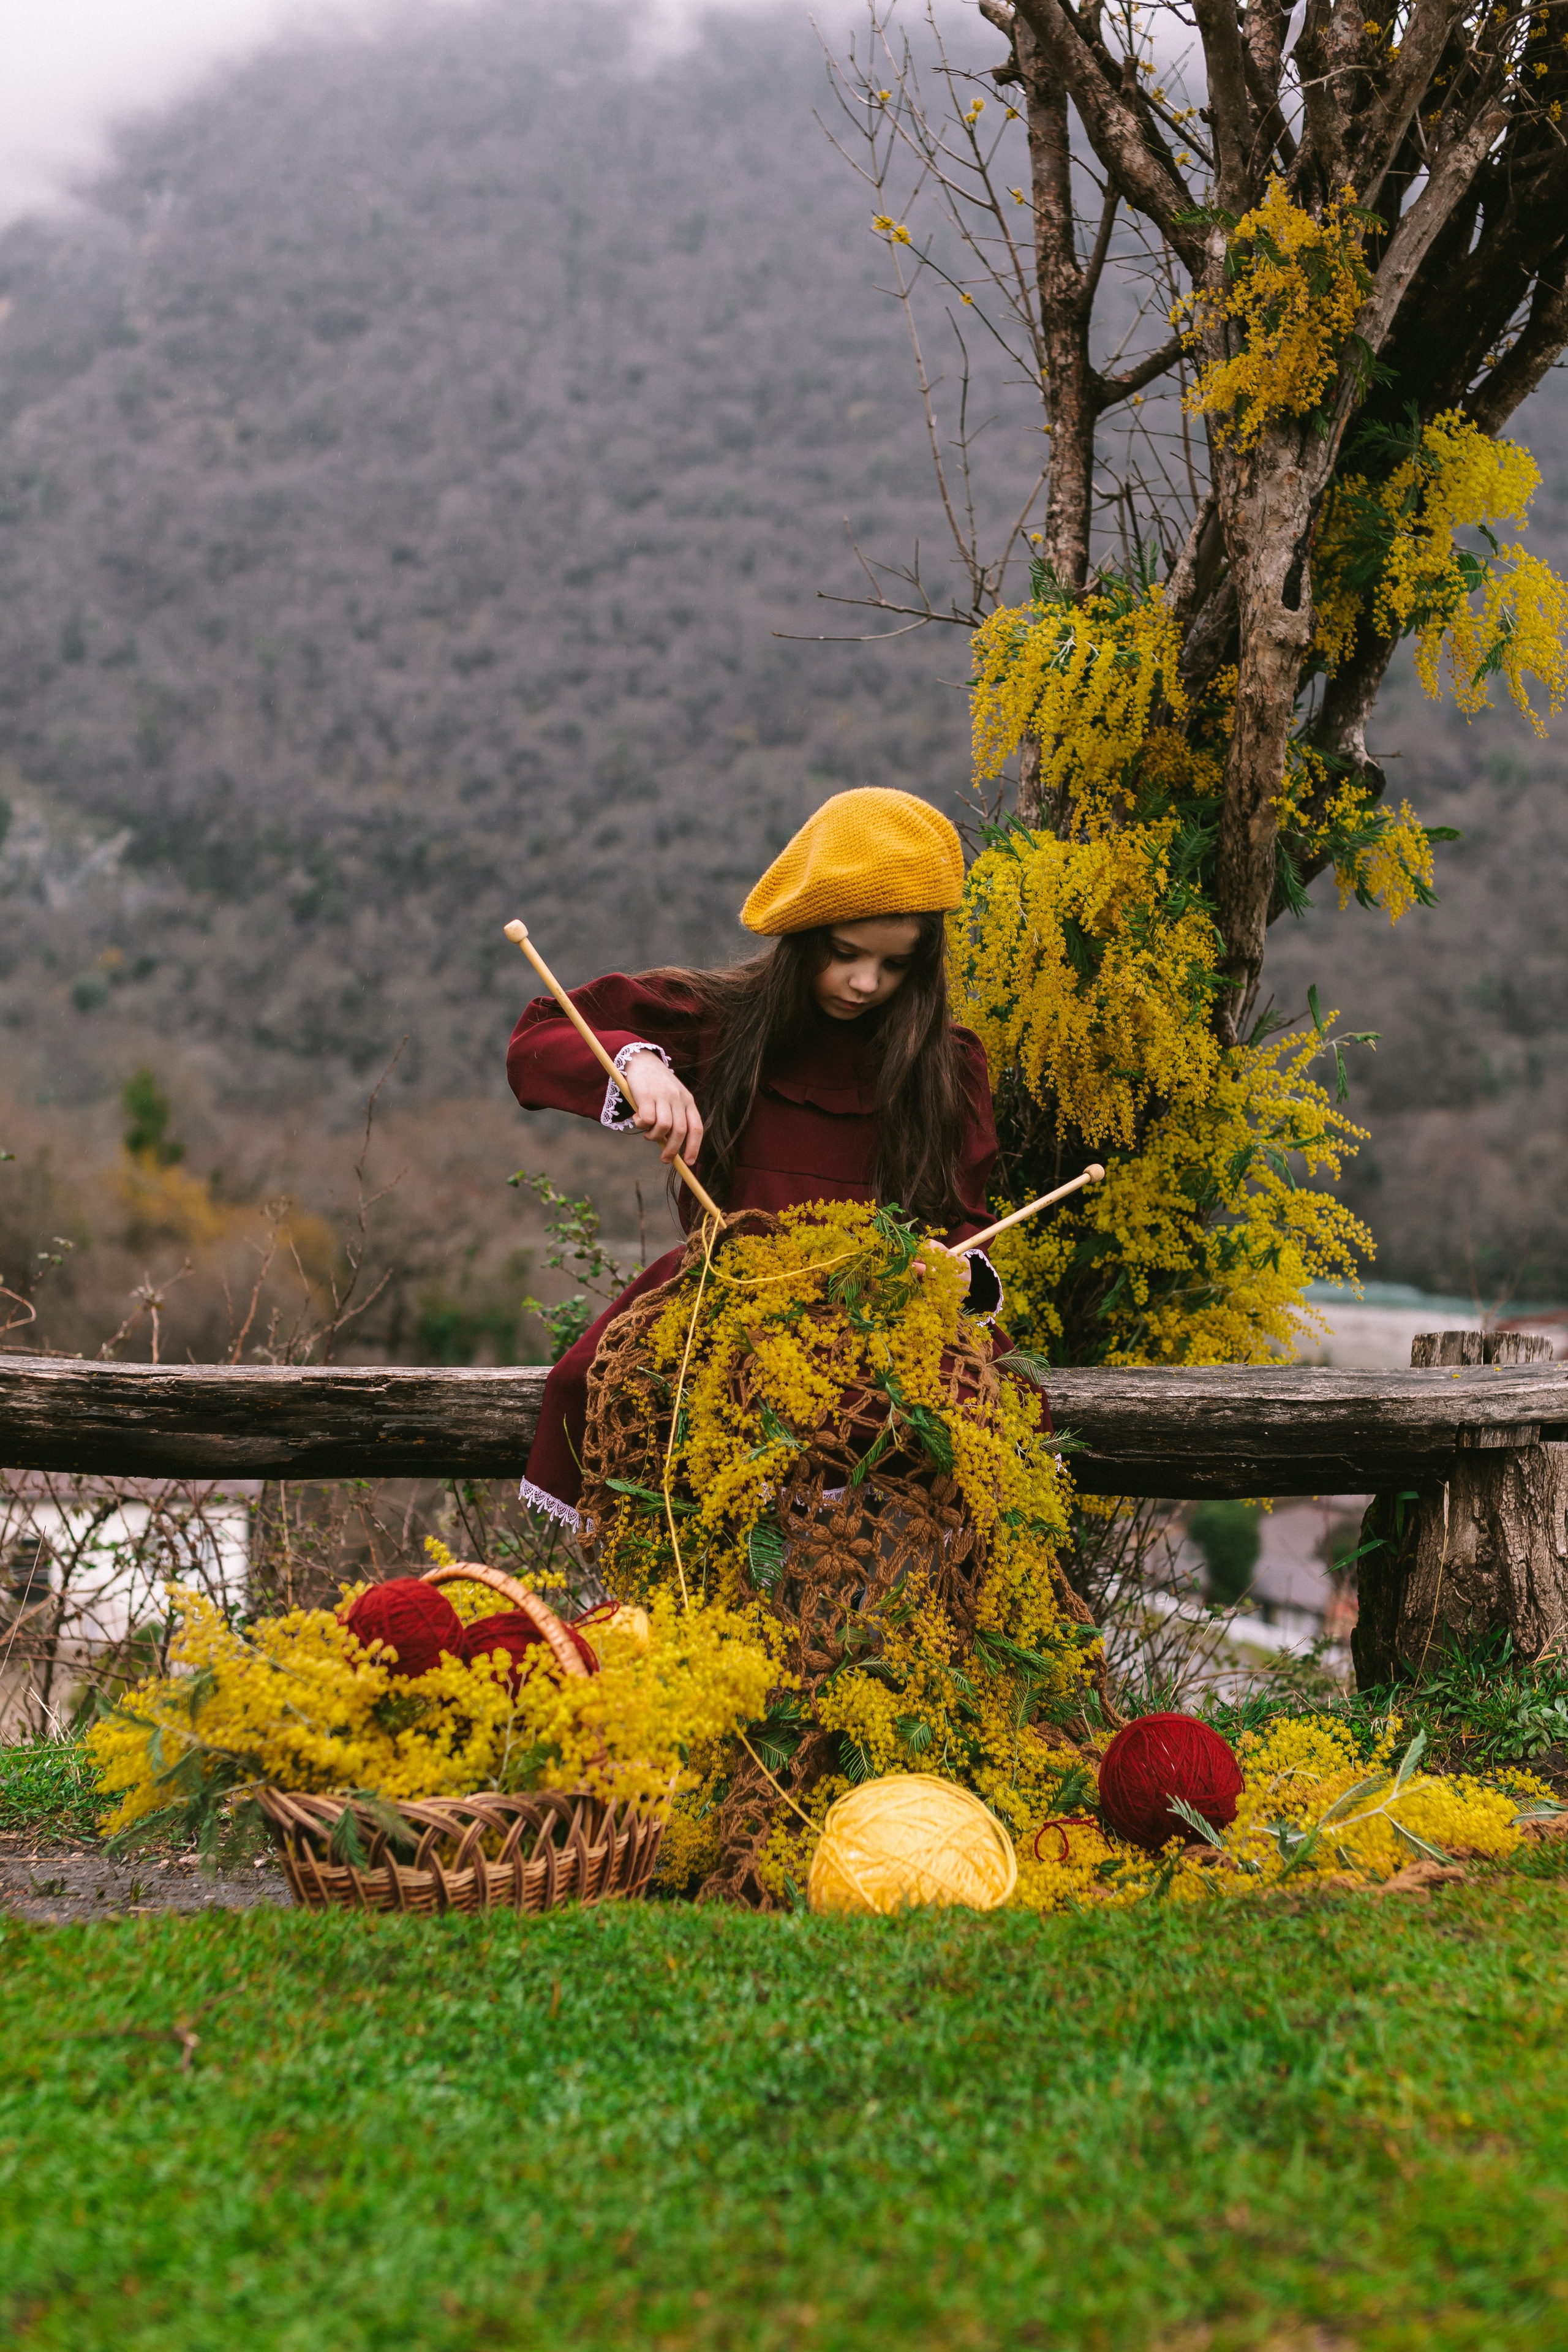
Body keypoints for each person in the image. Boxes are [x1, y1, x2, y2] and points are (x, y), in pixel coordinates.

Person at [507, 786, 1005, 1529]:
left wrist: (955, 1267)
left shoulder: (947, 1066)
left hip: (882, 1324)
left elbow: (964, 1219)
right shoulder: (711, 1020)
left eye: (893, 966)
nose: (865, 983)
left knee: (953, 1448)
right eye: (843, 955)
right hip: (722, 1313)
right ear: (803, 935)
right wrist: (638, 1065)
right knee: (621, 1401)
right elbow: (538, 1040)